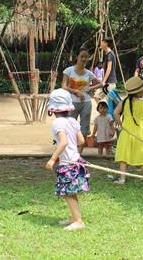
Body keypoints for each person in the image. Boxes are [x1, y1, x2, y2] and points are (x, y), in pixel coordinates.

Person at [45, 88, 90, 231]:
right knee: (71, 191)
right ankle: (74, 217)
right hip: (76, 160)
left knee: (66, 192)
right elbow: (81, 141)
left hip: (68, 163)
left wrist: (53, 159)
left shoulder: (58, 123)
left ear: (52, 109)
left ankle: (78, 221)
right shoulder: (72, 121)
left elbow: (63, 142)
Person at [61, 47, 103, 154]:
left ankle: (79, 153)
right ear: (77, 57)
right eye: (82, 56)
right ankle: (71, 150)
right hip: (72, 103)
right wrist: (77, 92)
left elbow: (101, 84)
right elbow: (64, 86)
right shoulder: (68, 70)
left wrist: (91, 88)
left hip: (86, 103)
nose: (84, 59)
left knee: (84, 128)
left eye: (86, 57)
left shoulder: (89, 73)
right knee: (70, 127)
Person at [113, 76, 143, 185]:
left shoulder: (124, 102)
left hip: (126, 132)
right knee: (142, 155)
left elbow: (115, 113)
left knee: (124, 156)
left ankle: (122, 179)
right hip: (139, 132)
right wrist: (142, 127)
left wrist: (121, 125)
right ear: (138, 92)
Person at [94, 38, 118, 103]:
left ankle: (117, 111)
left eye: (101, 42)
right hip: (107, 82)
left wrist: (103, 81)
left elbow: (109, 68)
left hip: (110, 82)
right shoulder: (108, 54)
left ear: (105, 44)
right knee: (97, 96)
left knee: (113, 101)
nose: (100, 44)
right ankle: (105, 111)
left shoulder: (110, 54)